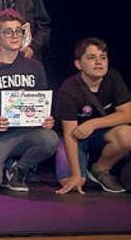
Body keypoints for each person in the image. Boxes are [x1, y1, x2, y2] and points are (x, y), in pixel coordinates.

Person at [0, 9, 59, 192]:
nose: (14, 36)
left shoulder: (35, 67)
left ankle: (19, 169)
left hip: (24, 134)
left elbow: (42, 103)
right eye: (8, 31)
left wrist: (46, 119)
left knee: (49, 138)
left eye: (18, 31)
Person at [55, 38, 131, 194]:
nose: (99, 62)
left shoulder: (113, 78)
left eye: (103, 57)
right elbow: (70, 134)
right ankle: (82, 173)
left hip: (102, 135)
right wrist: (76, 175)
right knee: (73, 182)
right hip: (75, 138)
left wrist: (93, 123)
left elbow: (128, 114)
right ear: (78, 64)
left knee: (127, 135)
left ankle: (100, 170)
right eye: (91, 58)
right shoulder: (69, 89)